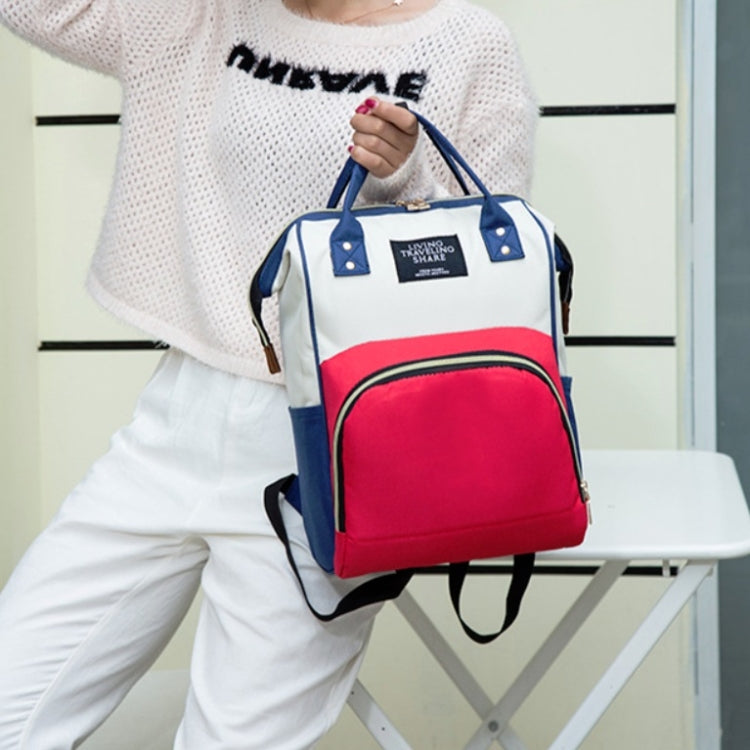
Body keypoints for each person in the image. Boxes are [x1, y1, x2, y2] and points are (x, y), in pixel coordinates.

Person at [0, 0, 537, 746]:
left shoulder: (467, 43)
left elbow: (499, 252)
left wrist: (406, 175)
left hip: (328, 453)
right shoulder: (203, 17)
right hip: (176, 420)